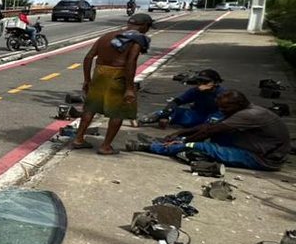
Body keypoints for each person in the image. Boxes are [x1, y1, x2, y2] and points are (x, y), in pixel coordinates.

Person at [132, 90, 291, 170]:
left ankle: (153, 147)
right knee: (214, 135)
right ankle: (172, 144)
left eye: (225, 108)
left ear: (237, 105)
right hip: (256, 146)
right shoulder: (243, 110)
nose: (221, 110)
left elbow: (209, 131)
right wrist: (180, 133)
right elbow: (211, 126)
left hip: (263, 159)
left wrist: (185, 140)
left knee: (200, 146)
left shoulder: (248, 115)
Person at [71, 13, 153, 155]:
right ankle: (106, 146)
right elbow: (131, 62)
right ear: (145, 26)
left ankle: (78, 139)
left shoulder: (107, 36)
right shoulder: (137, 39)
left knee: (90, 108)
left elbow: (89, 57)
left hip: (99, 73)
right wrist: (129, 88)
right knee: (118, 112)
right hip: (117, 75)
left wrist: (87, 80)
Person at [140, 69, 224, 128]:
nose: (201, 84)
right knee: (171, 113)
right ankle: (145, 120)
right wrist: (165, 115)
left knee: (213, 123)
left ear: (216, 83)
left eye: (205, 82)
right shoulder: (195, 91)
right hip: (198, 115)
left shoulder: (222, 93)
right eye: (200, 81)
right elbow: (176, 102)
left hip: (215, 117)